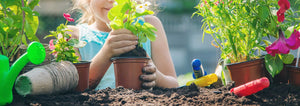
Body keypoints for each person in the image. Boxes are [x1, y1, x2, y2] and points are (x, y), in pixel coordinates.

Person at [67, 0, 178, 90]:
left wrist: (157, 78)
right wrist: (107, 52)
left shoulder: (150, 24)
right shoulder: (72, 36)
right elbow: (75, 88)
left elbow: (173, 84)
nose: (112, 1)